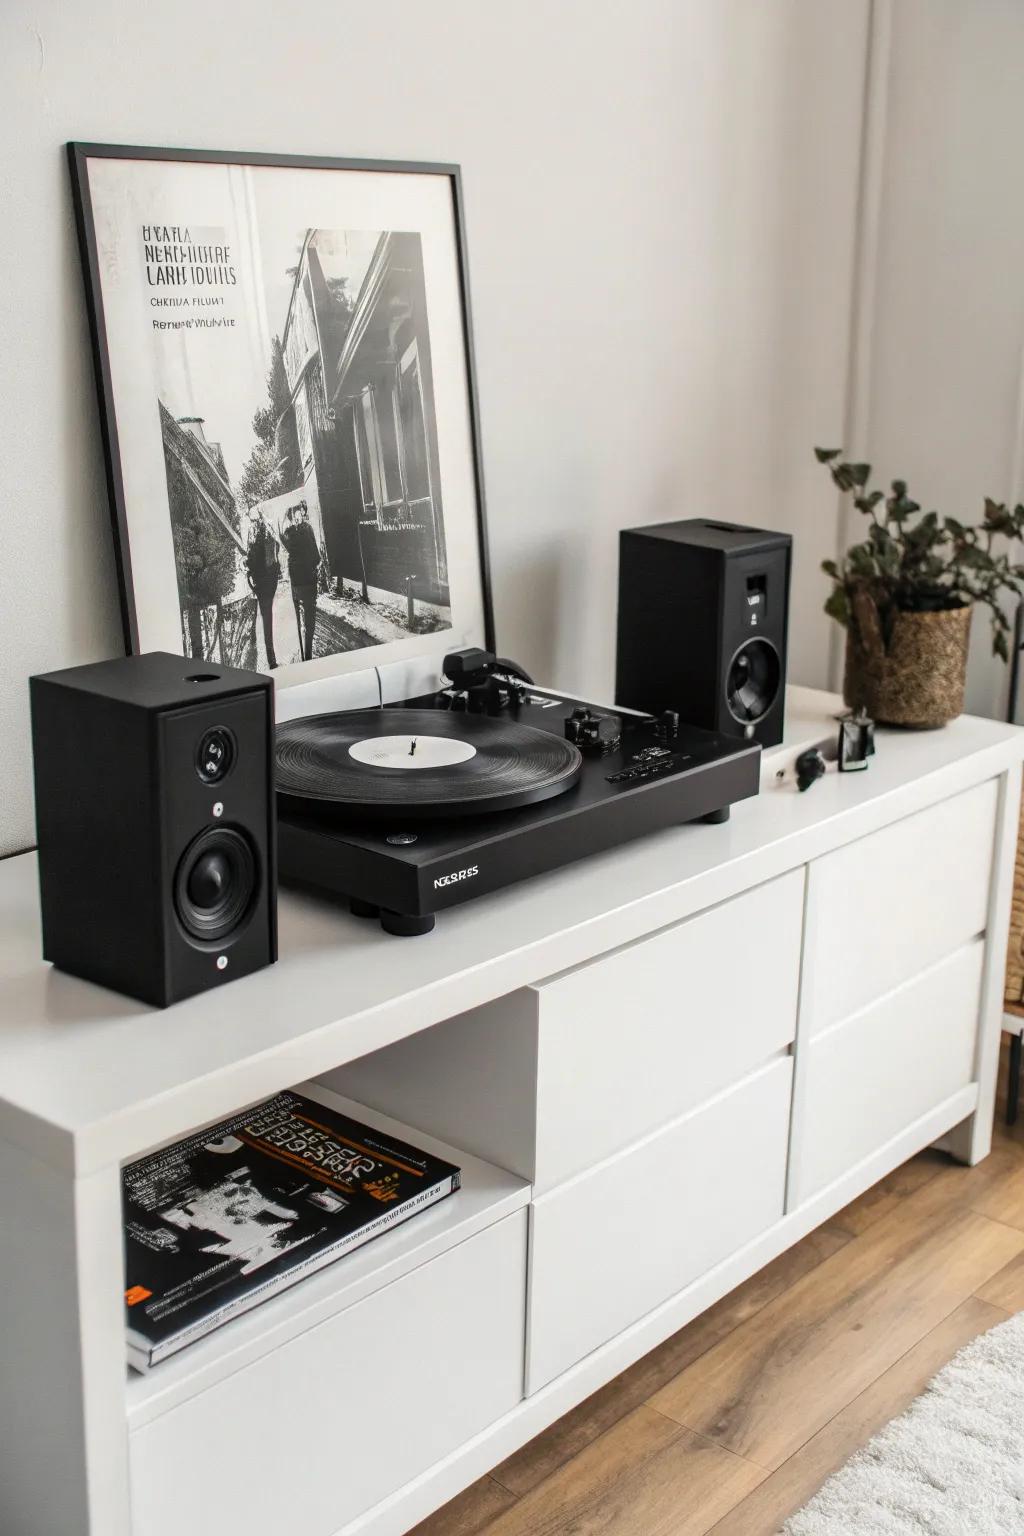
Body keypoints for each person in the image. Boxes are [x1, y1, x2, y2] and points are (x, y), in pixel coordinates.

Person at [280, 501, 321, 662]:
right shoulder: (305, 529)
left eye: (300, 512)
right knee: (308, 619)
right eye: (298, 512)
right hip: (306, 579)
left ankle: (305, 654)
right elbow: (316, 556)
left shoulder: (289, 532)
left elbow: (286, 544)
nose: (299, 515)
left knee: (302, 618)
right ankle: (307, 653)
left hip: (299, 581)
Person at [244, 505, 280, 669]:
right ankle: (270, 657)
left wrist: (247, 565)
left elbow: (252, 557)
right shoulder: (268, 529)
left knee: (265, 617)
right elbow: (277, 547)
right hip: (271, 580)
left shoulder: (254, 533)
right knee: (267, 616)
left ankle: (271, 660)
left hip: (261, 581)